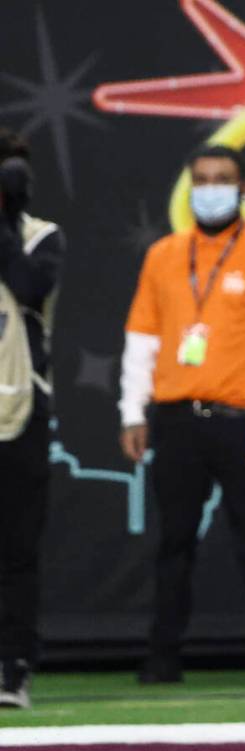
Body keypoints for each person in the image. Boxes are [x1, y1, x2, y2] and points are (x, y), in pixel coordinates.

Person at [118, 144, 245, 684]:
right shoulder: (164, 255)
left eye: (221, 179)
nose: (210, 188)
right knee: (172, 543)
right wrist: (133, 410)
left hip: (240, 419)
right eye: (200, 179)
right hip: (175, 417)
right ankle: (161, 658)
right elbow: (142, 337)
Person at [0, 130, 64, 709]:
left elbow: (25, 287)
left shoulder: (40, 236)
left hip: (19, 413)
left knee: (17, 550)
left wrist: (6, 218)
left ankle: (13, 668)